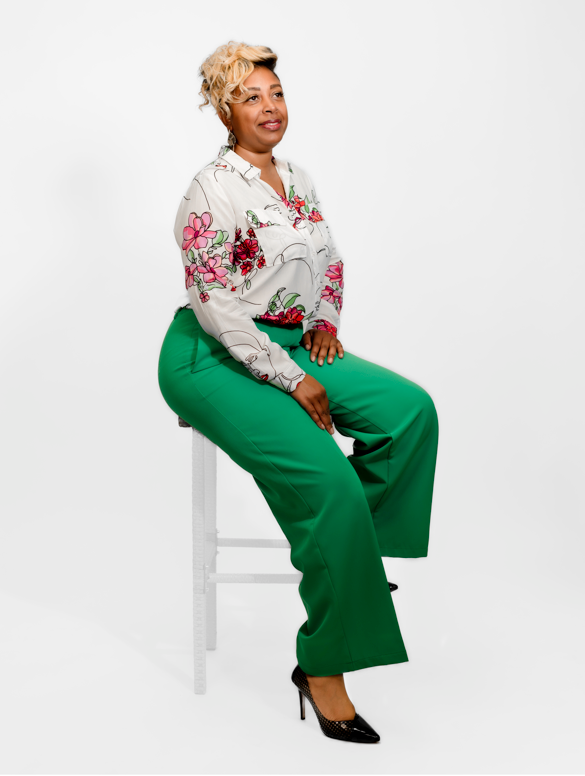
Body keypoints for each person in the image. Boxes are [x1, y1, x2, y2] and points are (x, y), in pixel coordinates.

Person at [157, 41, 439, 743]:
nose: (269, 107)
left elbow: (328, 261)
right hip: (211, 355)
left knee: (409, 412)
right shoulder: (209, 190)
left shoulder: (296, 178)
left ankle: (356, 557)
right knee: (329, 484)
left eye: (276, 93)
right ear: (224, 111)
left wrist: (323, 323)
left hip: (288, 337)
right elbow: (216, 304)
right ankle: (322, 668)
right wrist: (290, 376)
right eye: (250, 97)